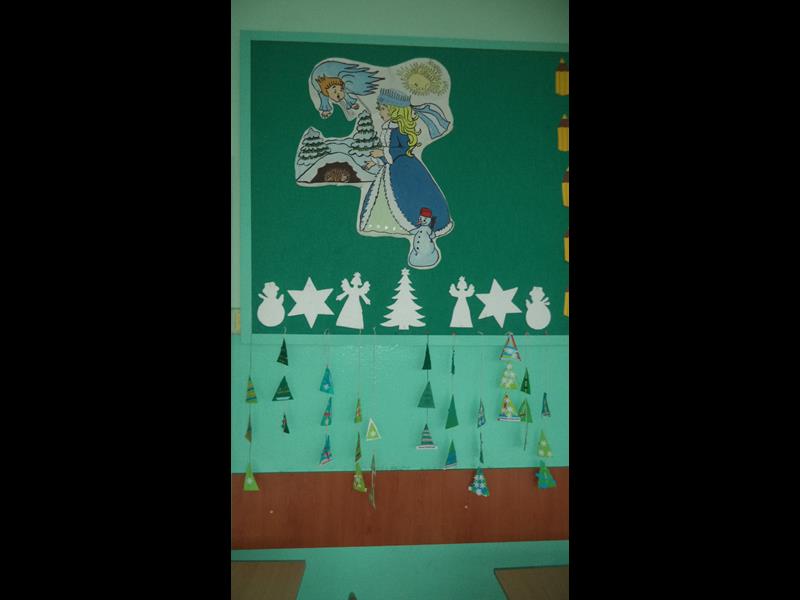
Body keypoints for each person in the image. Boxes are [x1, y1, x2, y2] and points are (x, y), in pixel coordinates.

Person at [359, 88, 453, 269]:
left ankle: (423, 236)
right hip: (393, 168)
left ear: (394, 110)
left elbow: (401, 150)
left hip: (405, 170)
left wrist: (382, 153)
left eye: (382, 108)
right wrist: (375, 160)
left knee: (408, 200)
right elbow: (390, 153)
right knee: (388, 198)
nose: (380, 112)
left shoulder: (399, 130)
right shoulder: (389, 127)